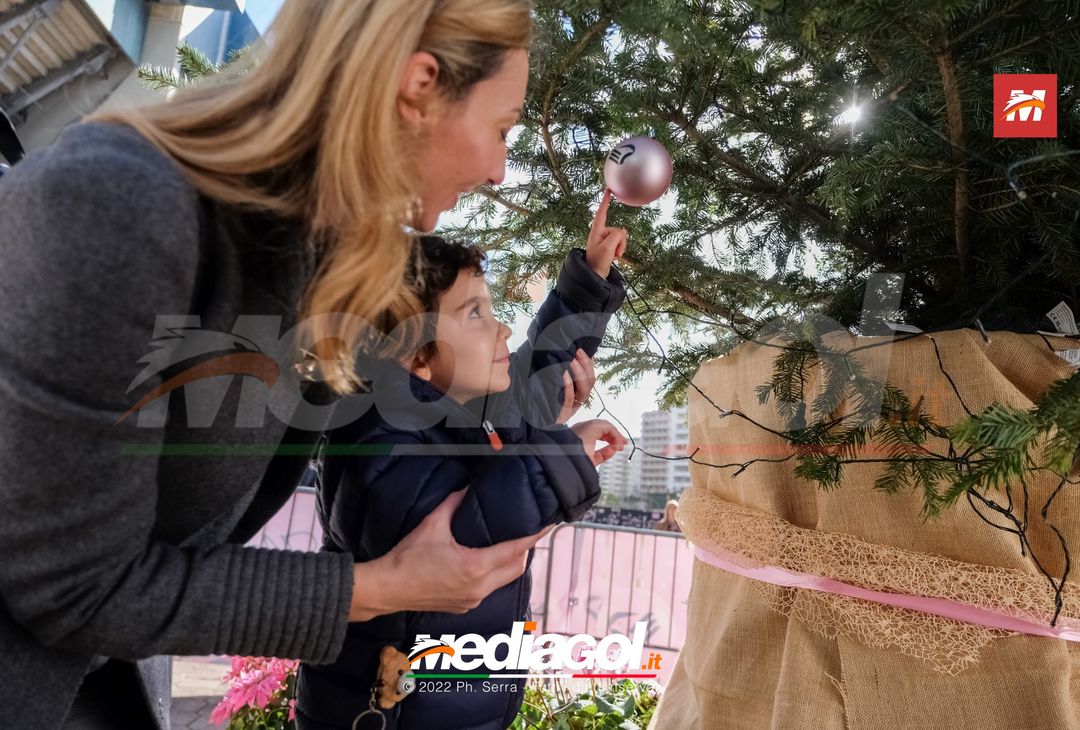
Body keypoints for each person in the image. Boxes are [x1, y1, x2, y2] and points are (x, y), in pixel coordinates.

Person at [0, 1, 599, 727]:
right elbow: (76, 586)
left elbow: (454, 393)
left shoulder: (316, 261)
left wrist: (578, 308)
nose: (501, 170)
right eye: (501, 128)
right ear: (419, 86)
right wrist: (383, 586)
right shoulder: (115, 209)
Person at [296, 197, 629, 729]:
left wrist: (587, 281)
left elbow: (531, 381)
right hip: (387, 713)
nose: (500, 330)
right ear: (415, 353)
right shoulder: (374, 439)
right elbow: (467, 531)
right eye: (474, 313)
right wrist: (561, 454)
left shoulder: (465, 414)